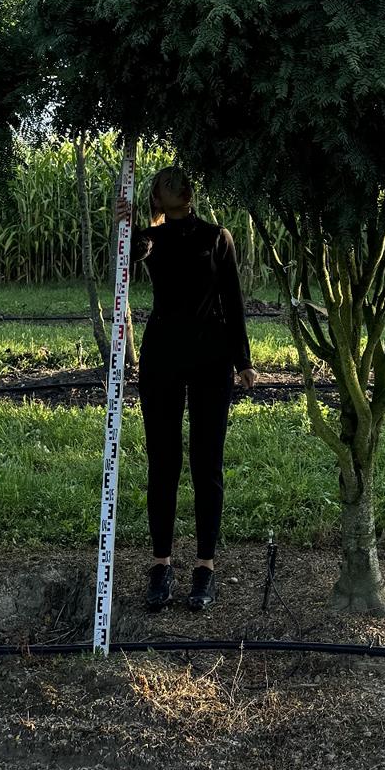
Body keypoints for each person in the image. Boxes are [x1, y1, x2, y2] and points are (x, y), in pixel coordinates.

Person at [133, 167, 256, 613]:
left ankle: (205, 567)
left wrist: (243, 360)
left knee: (208, 462)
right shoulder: (149, 239)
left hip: (211, 356)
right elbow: (125, 267)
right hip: (163, 355)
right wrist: (125, 228)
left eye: (181, 180)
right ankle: (161, 566)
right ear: (157, 197)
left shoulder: (217, 237)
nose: (177, 185)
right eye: (167, 182)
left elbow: (233, 299)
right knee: (162, 461)